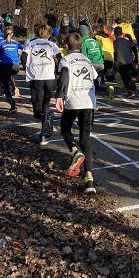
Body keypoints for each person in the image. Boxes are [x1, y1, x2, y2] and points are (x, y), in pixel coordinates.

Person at [55, 33, 97, 194]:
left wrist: (60, 94)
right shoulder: (87, 60)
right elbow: (94, 77)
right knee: (85, 138)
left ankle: (75, 151)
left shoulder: (66, 60)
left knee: (65, 129)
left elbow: (64, 75)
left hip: (73, 101)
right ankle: (89, 180)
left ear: (67, 47)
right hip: (89, 102)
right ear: (81, 46)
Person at [21, 24, 62, 145]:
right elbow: (60, 58)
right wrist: (58, 72)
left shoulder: (30, 43)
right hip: (50, 78)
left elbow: (23, 57)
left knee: (37, 107)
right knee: (46, 103)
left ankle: (46, 124)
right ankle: (45, 131)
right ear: (48, 34)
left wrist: (26, 68)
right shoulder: (52, 44)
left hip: (37, 77)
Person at [0, 27, 24, 113]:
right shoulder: (16, 42)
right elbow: (24, 48)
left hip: (5, 66)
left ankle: (13, 106)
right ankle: (15, 87)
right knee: (8, 75)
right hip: (16, 67)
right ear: (12, 34)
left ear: (3, 34)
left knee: (5, 87)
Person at [113, 26, 138, 97]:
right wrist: (136, 58)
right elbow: (134, 48)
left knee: (124, 78)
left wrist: (115, 62)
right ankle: (132, 83)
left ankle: (130, 91)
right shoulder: (127, 41)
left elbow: (115, 53)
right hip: (129, 61)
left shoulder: (115, 42)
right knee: (128, 75)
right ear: (122, 33)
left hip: (121, 62)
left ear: (115, 34)